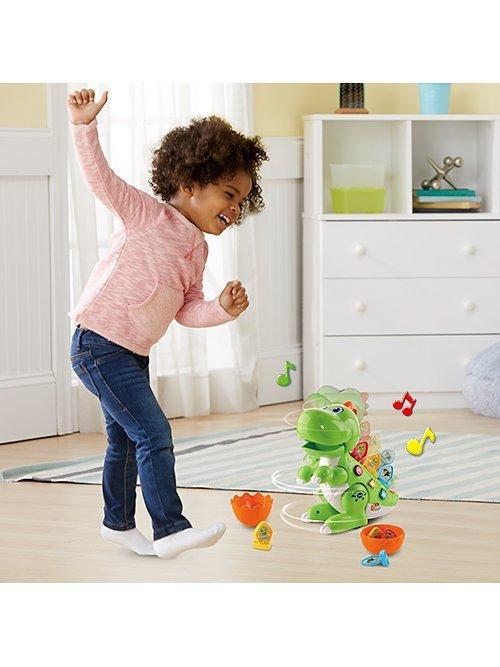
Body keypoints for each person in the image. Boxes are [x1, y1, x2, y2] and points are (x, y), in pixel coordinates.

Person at [68, 88, 268, 559]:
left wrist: (221, 309)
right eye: (229, 195)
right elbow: (100, 178)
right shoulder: (146, 214)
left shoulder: (197, 248)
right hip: (98, 343)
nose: (235, 208)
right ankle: (170, 528)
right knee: (153, 432)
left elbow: (187, 308)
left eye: (242, 201)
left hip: (131, 353)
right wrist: (83, 125)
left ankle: (117, 523)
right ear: (190, 182)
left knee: (124, 439)